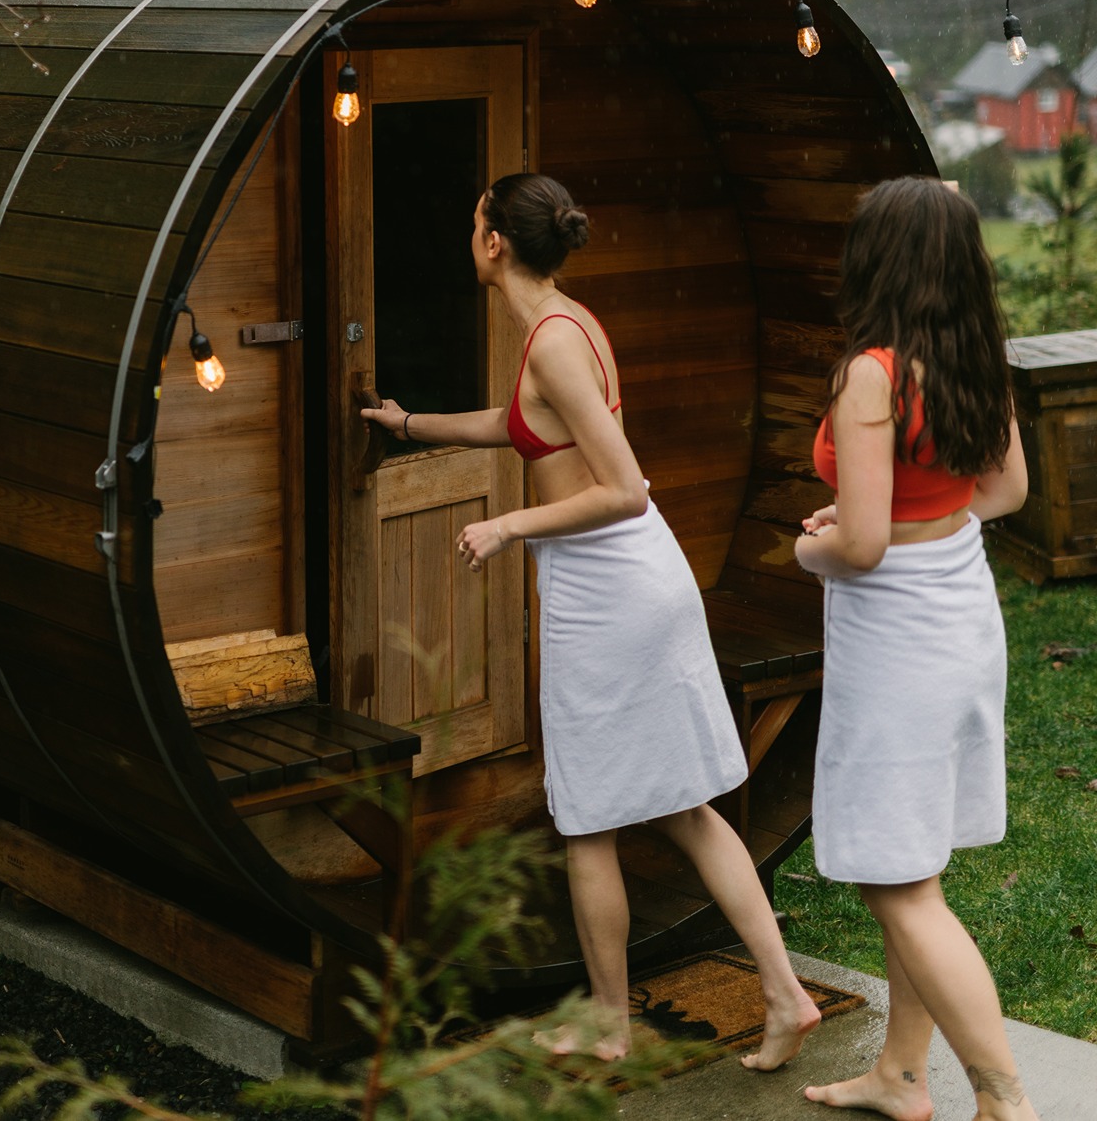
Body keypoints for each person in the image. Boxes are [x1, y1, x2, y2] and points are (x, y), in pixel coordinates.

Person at [362, 172, 821, 1065]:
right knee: (683, 808)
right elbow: (525, 425)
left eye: (473, 220)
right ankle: (785, 993)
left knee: (586, 819)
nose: (470, 233)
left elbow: (624, 488)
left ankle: (610, 1023)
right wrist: (411, 424)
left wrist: (507, 523)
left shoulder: (554, 343)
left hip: (611, 594)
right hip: (632, 585)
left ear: (494, 242)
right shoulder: (561, 323)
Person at [794, 177, 1036, 1121]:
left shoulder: (875, 371)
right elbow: (1002, 493)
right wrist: (904, 517)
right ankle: (900, 1072)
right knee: (913, 860)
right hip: (963, 619)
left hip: (897, 644)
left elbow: (853, 547)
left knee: (894, 881)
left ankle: (1005, 1096)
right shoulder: (977, 353)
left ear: (879, 260)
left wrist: (815, 541)